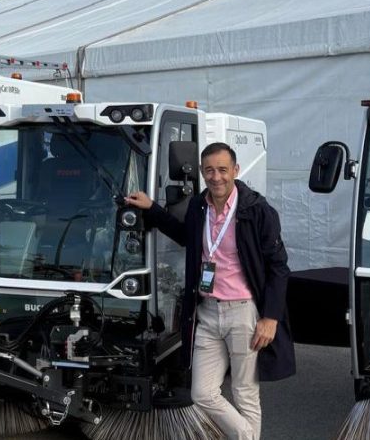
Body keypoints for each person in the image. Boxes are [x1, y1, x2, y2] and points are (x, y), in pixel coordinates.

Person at [125, 142, 294, 440]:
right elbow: (184, 236)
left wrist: (270, 317)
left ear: (236, 171)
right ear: (202, 173)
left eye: (222, 170)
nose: (216, 177)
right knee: (202, 393)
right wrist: (152, 208)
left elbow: (279, 267)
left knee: (245, 394)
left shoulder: (257, 210)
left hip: (244, 312)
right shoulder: (199, 205)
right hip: (207, 311)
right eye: (209, 171)